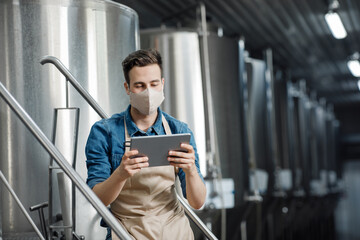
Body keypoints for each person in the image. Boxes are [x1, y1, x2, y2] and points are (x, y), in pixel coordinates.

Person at [85, 49, 206, 240]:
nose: (148, 92)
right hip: (128, 233)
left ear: (162, 84)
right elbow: (97, 200)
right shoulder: (104, 132)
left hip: (175, 232)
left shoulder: (179, 130)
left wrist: (191, 170)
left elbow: (197, 202)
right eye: (140, 85)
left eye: (154, 84)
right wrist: (121, 174)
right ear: (127, 88)